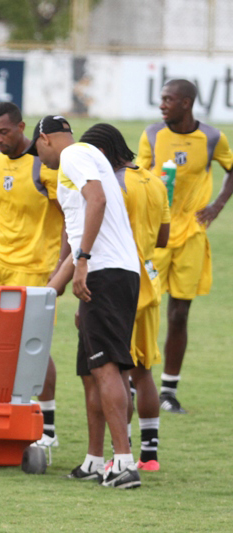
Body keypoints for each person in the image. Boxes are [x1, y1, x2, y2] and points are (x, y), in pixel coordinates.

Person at [34, 116, 142, 489]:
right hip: (112, 271)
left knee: (108, 367)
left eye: (38, 150)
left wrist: (82, 261)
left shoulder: (74, 155)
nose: (41, 160)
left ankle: (124, 463)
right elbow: (84, 229)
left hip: (105, 274)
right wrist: (51, 290)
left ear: (45, 139)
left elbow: (96, 201)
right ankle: (96, 460)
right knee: (92, 370)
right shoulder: (88, 158)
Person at [0, 102, 64, 447]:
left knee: (32, 345)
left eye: (4, 131)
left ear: (22, 127)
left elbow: (66, 218)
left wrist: (62, 266)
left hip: (36, 267)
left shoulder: (43, 165)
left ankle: (47, 426)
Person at [137, 79, 233, 414]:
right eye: (161, 99)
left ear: (186, 103)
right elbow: (138, 174)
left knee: (179, 314)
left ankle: (168, 391)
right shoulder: (152, 135)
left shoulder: (211, 138)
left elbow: (231, 168)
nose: (161, 104)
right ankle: (137, 380)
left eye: (168, 99)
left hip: (191, 234)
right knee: (140, 307)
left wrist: (218, 205)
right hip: (155, 235)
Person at [82, 123, 170, 472]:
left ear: (101, 153)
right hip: (149, 280)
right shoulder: (154, 180)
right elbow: (163, 238)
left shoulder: (110, 185)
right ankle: (150, 455)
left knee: (115, 370)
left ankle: (123, 453)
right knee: (144, 371)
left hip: (118, 283)